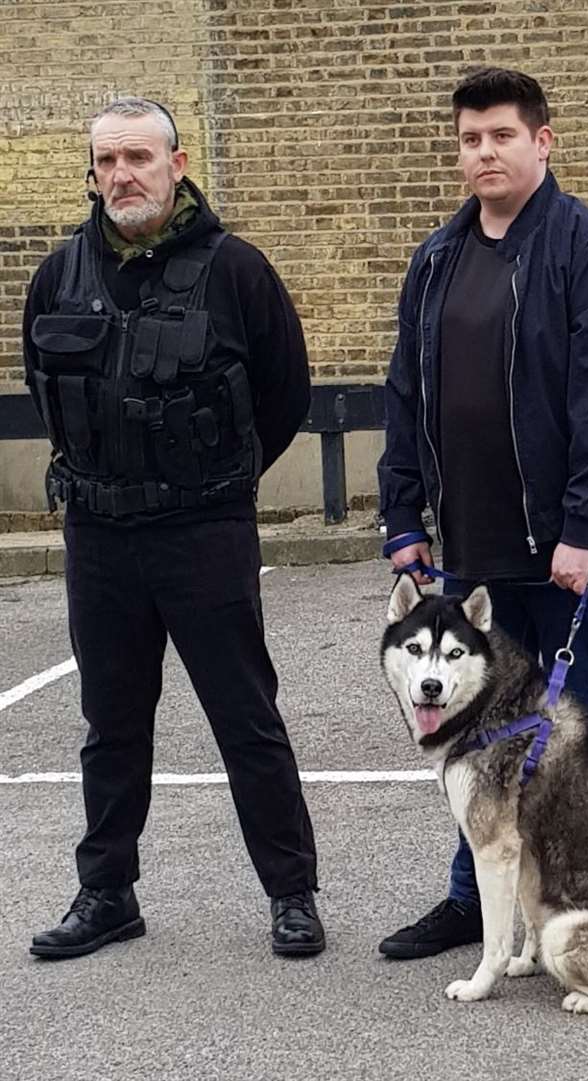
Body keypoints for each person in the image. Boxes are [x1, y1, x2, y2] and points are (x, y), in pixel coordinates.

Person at [23, 97, 324, 959]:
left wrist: (217, 484)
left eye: (140, 159)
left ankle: (292, 892)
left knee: (246, 719)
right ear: (92, 173)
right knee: (111, 724)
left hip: (203, 534)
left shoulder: (236, 271)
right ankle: (107, 891)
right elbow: (45, 384)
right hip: (101, 538)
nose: (123, 175)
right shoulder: (59, 276)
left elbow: (286, 393)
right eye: (108, 161)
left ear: (177, 164)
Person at [377, 68, 588, 959]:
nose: (484, 151)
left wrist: (583, 526)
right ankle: (478, 901)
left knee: (586, 731)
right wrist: (402, 517)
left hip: (578, 552)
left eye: (501, 134)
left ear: (543, 140)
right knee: (474, 738)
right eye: (470, 138)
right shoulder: (438, 260)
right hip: (475, 556)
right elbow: (405, 397)